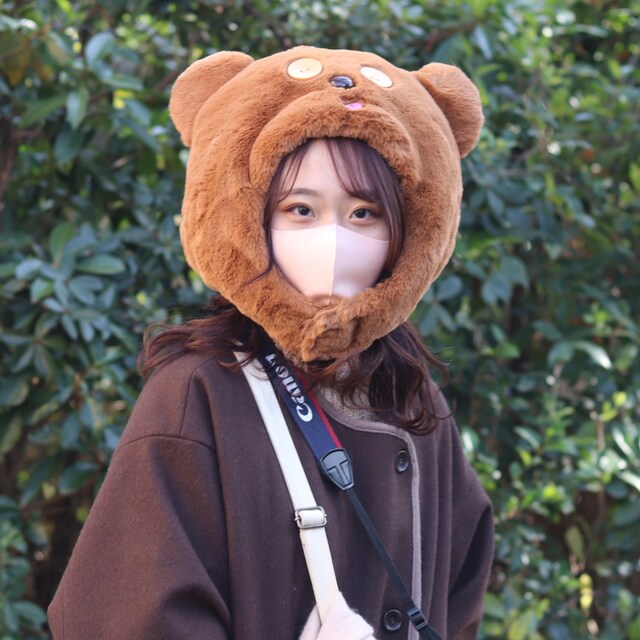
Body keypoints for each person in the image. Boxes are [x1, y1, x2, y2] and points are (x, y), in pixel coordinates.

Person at [48, 46, 493, 639]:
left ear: (409, 230)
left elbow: (460, 593)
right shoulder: (198, 392)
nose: (334, 240)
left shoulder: (413, 398)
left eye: (364, 213)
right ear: (251, 218)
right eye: (300, 209)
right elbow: (128, 617)